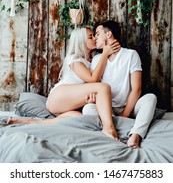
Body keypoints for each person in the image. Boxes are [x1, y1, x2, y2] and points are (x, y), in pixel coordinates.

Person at [8, 26, 120, 140]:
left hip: (67, 102)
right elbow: (93, 79)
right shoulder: (75, 59)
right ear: (81, 41)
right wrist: (105, 54)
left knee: (78, 118)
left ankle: (30, 122)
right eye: (90, 37)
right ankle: (109, 128)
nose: (95, 39)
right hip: (59, 96)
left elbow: (88, 87)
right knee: (103, 88)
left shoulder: (92, 60)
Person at [82, 20, 157, 148]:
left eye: (98, 34)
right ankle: (112, 127)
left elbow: (137, 89)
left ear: (109, 34)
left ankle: (135, 135)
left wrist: (125, 115)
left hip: (129, 107)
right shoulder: (96, 59)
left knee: (150, 98)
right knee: (87, 109)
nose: (95, 38)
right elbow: (94, 85)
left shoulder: (130, 55)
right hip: (107, 110)